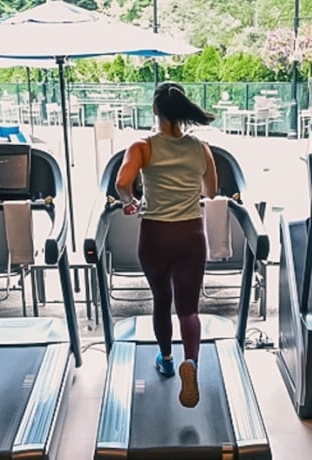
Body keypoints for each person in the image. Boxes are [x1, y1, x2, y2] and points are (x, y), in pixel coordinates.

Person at [115, 82, 219, 409]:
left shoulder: (142, 147)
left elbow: (122, 183)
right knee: (189, 309)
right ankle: (192, 362)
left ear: (156, 111)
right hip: (191, 234)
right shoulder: (200, 148)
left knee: (162, 300)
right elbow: (212, 192)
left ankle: (166, 358)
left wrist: (130, 201)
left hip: (155, 234)